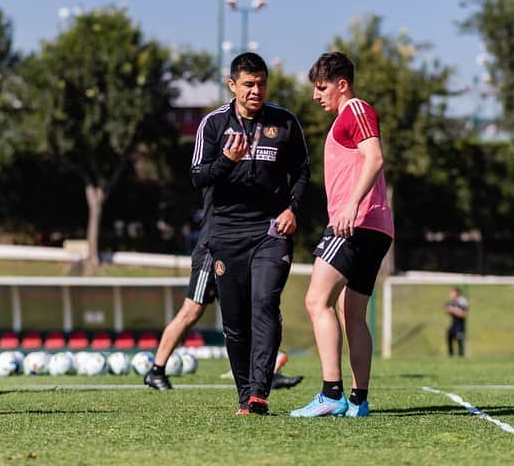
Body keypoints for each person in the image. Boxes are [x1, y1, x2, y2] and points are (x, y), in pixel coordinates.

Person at [191, 52, 310, 415]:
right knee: (236, 319)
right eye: (248, 84)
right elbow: (198, 176)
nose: (256, 90)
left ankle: (259, 391)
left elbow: (303, 172)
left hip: (271, 229)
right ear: (232, 85)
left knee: (264, 302)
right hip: (226, 232)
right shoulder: (213, 125)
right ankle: (246, 395)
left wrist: (293, 209)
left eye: (261, 83)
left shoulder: (285, 122)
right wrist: (227, 161)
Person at [291, 52, 394, 418]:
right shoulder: (345, 118)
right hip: (375, 227)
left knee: (316, 301)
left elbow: (375, 158)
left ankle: (331, 393)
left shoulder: (355, 110)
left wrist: (351, 205)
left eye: (322, 88)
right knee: (352, 314)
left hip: (356, 223)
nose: (317, 96)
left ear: (342, 84)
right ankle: (358, 401)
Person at [144, 190, 303, 392]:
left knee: (249, 311)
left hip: (238, 248)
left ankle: (262, 375)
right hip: (212, 251)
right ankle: (156, 370)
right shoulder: (223, 167)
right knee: (191, 311)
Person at [444, 287, 468, 357]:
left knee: (460, 341)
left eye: (453, 292)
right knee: (449, 337)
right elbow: (446, 308)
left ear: (457, 293)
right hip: (453, 325)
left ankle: (461, 357)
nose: (451, 294)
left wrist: (454, 310)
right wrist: (450, 309)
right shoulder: (452, 302)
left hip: (460, 326)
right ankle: (451, 356)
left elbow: (464, 314)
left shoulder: (463, 302)